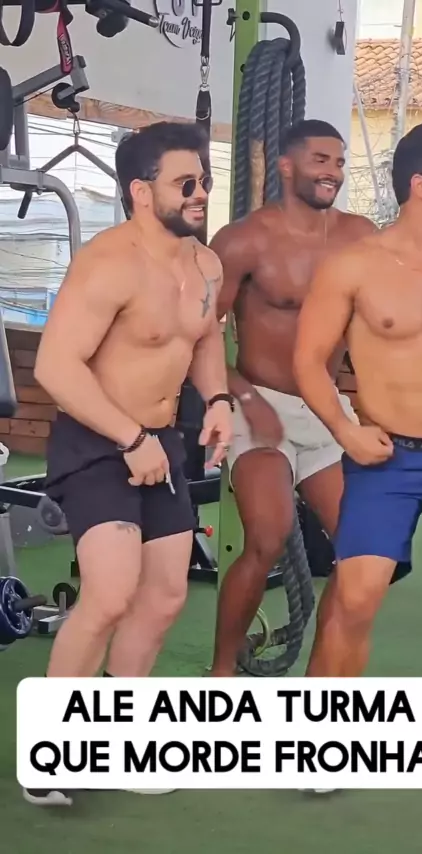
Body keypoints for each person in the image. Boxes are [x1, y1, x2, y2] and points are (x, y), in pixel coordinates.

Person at [28, 121, 233, 806]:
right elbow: (56, 366)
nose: (201, 192)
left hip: (160, 442)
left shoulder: (205, 265)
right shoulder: (109, 263)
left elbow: (203, 337)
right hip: (97, 441)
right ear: (142, 192)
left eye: (204, 179)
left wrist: (219, 398)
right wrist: (129, 437)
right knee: (111, 595)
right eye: (186, 182)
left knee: (166, 595)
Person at [293, 118, 422, 797]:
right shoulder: (355, 266)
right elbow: (308, 361)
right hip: (385, 460)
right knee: (355, 599)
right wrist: (344, 432)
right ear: (421, 183)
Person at [208, 119, 379, 678]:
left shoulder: (360, 236)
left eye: (339, 162)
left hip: (326, 410)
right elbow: (199, 338)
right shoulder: (244, 239)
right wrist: (241, 397)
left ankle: (318, 684)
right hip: (259, 404)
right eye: (320, 160)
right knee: (268, 536)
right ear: (286, 165)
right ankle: (222, 673)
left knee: (363, 550)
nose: (333, 172)